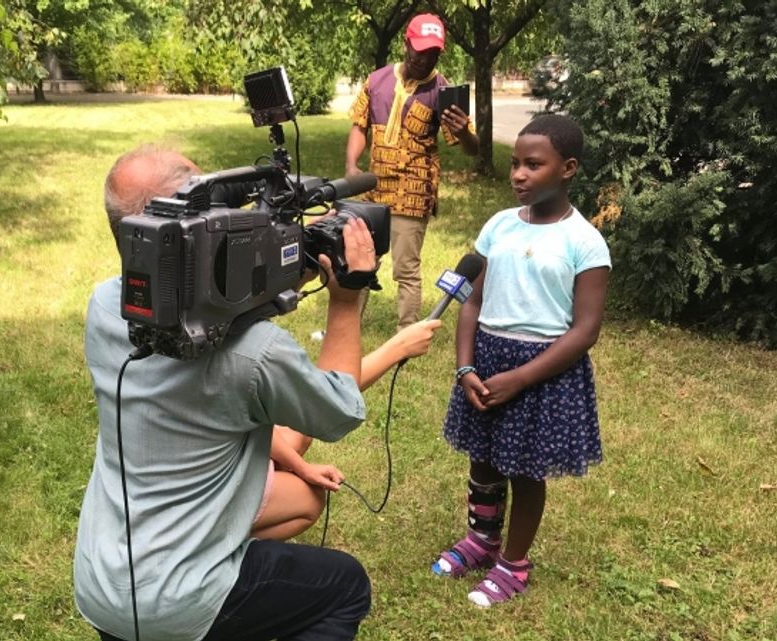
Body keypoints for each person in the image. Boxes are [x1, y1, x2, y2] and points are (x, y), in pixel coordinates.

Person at [76, 144, 380, 641]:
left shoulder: (105, 306)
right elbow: (340, 410)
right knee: (344, 586)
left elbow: (197, 313)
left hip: (103, 582)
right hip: (179, 600)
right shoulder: (255, 355)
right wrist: (345, 303)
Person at [430, 114, 610, 608]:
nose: (519, 175)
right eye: (515, 164)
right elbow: (472, 300)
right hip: (487, 358)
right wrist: (466, 367)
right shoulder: (499, 226)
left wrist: (523, 377)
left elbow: (585, 330)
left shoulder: (585, 241)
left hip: (543, 370)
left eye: (534, 165)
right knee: (483, 457)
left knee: (526, 470)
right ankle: (482, 541)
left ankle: (514, 563)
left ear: (567, 168)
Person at [346, 13, 480, 332]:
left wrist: (463, 132)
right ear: (406, 44)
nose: (426, 58)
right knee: (360, 260)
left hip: (413, 194)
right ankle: (348, 324)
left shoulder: (442, 90)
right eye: (421, 50)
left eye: (433, 52)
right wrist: (352, 165)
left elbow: (472, 148)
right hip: (374, 191)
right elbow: (359, 125)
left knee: (405, 268)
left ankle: (407, 332)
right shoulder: (376, 81)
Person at [255, 317, 442, 540]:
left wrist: (299, 466)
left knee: (295, 435)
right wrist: (346, 300)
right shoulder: (258, 347)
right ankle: (220, 548)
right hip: (207, 493)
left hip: (212, 451)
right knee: (309, 498)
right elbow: (323, 399)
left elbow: (317, 398)